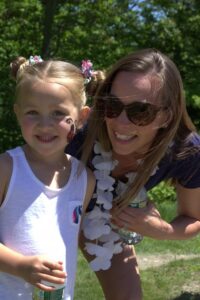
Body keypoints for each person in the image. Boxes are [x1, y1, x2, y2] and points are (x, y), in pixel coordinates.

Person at [66, 48, 200, 300]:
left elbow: (193, 220)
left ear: (166, 116)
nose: (121, 122)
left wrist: (162, 229)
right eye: (112, 105)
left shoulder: (186, 151)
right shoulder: (77, 133)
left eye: (141, 111)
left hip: (106, 224)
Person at [0, 56, 95, 299]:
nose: (45, 125)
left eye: (58, 113)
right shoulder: (7, 169)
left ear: (82, 117)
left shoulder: (83, 178)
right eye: (33, 112)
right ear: (18, 113)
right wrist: (20, 266)